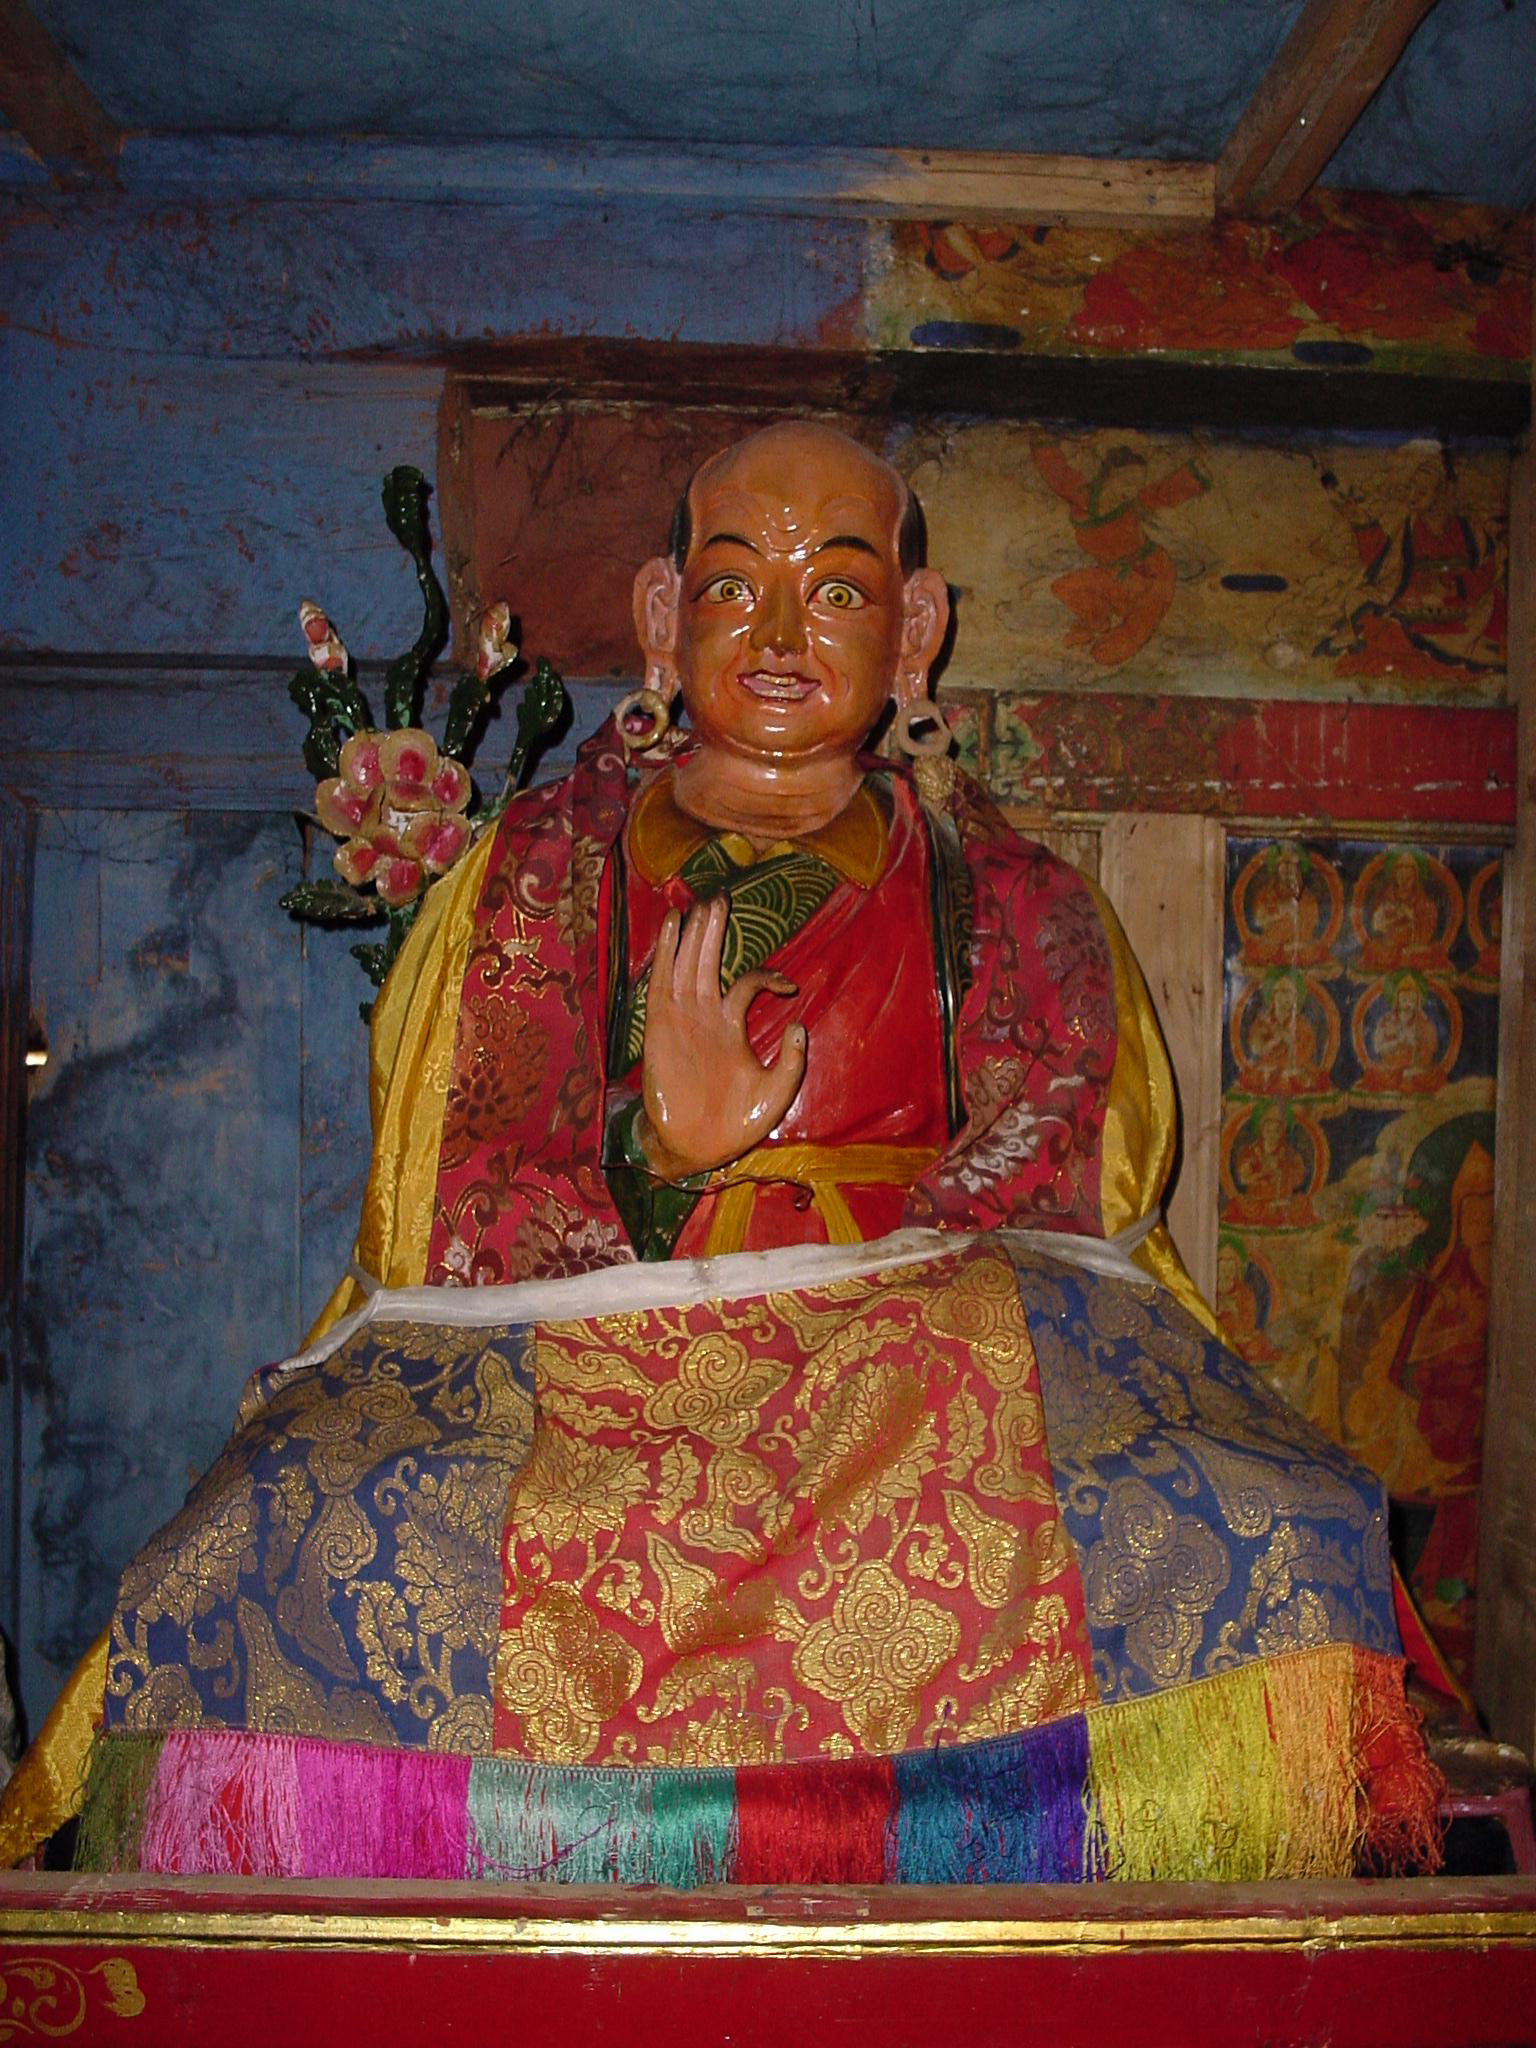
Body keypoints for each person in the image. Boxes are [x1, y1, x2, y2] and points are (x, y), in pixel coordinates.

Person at [0, 424, 1436, 1886]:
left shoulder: (1015, 893)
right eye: (738, 587)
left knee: (1265, 1507)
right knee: (289, 1516)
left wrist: (883, 1250)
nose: (781, 634)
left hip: (915, 1342)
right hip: (597, 1349)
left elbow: (1072, 1164)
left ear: (917, 628)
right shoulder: (530, 873)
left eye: (838, 592)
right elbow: (452, 1183)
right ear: (661, 619)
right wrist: (657, 1154)